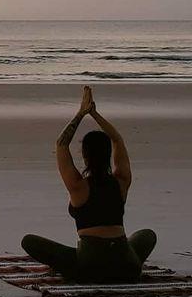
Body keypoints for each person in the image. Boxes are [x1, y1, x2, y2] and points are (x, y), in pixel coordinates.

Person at [22, 86, 156, 282]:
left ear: (85, 156)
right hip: (128, 267)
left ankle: (87, 267)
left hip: (89, 267)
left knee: (29, 241)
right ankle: (119, 261)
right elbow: (117, 140)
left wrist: (81, 113)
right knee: (147, 235)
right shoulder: (122, 181)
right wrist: (95, 114)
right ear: (109, 155)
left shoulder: (78, 186)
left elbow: (61, 144)